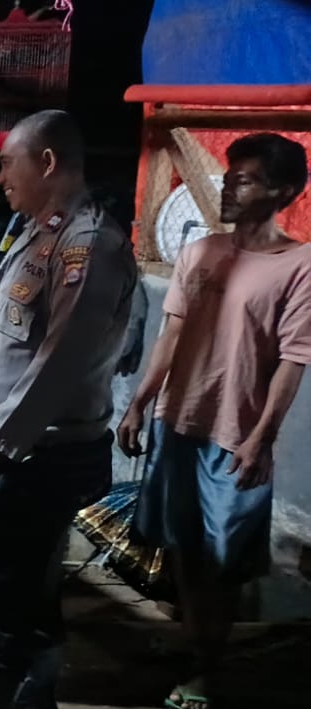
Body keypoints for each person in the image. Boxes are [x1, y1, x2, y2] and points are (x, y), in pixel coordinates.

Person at [0, 110, 137, 709]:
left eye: (7, 164)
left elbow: (64, 354)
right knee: (26, 585)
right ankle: (32, 693)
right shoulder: (37, 231)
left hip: (37, 453)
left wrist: (1, 434)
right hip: (6, 442)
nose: (0, 178)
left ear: (47, 162)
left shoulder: (88, 244)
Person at [117, 133, 311, 709]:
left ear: (283, 192)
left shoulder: (298, 266)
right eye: (228, 179)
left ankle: (207, 671)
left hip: (236, 435)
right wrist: (139, 403)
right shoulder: (200, 253)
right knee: (182, 549)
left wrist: (262, 438)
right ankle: (194, 647)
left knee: (222, 563)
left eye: (243, 181)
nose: (228, 190)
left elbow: (292, 361)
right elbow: (171, 335)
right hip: (177, 422)